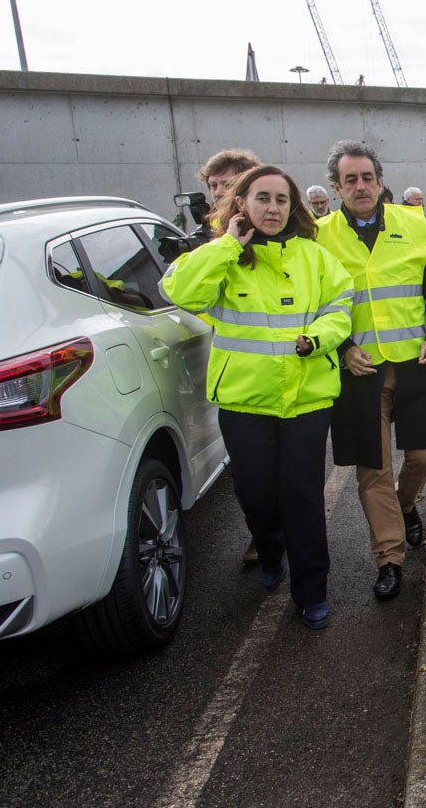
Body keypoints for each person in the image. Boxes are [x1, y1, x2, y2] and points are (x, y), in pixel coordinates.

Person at [160, 164, 354, 630]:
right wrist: (229, 243)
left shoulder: (316, 257)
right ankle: (269, 549)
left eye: (281, 200)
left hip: (306, 398)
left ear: (294, 208)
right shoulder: (223, 256)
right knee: (256, 494)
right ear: (242, 204)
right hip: (245, 401)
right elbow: (179, 290)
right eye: (262, 198)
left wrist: (317, 338)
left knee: (303, 497)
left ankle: (312, 591)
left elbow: (340, 310)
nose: (272, 208)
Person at [316, 140, 426, 601]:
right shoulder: (319, 237)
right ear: (337, 187)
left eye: (367, 177)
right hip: (360, 376)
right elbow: (315, 311)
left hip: (416, 365)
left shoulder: (412, 224)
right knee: (372, 469)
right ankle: (389, 558)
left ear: (380, 180)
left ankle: (407, 503)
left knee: (424, 455)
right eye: (349, 179)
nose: (360, 186)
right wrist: (341, 349)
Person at [194, 147, 263, 567]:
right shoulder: (215, 242)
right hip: (237, 379)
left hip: (289, 376)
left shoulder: (282, 235)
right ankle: (263, 534)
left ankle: (279, 539)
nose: (217, 192)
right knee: (249, 477)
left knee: (291, 477)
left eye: (225, 184)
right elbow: (190, 296)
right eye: (212, 185)